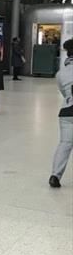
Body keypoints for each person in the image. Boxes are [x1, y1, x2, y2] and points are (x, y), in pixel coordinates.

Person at [50, 39, 73, 188]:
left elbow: (64, 93)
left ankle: (55, 176)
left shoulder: (60, 73)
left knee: (65, 144)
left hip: (66, 111)